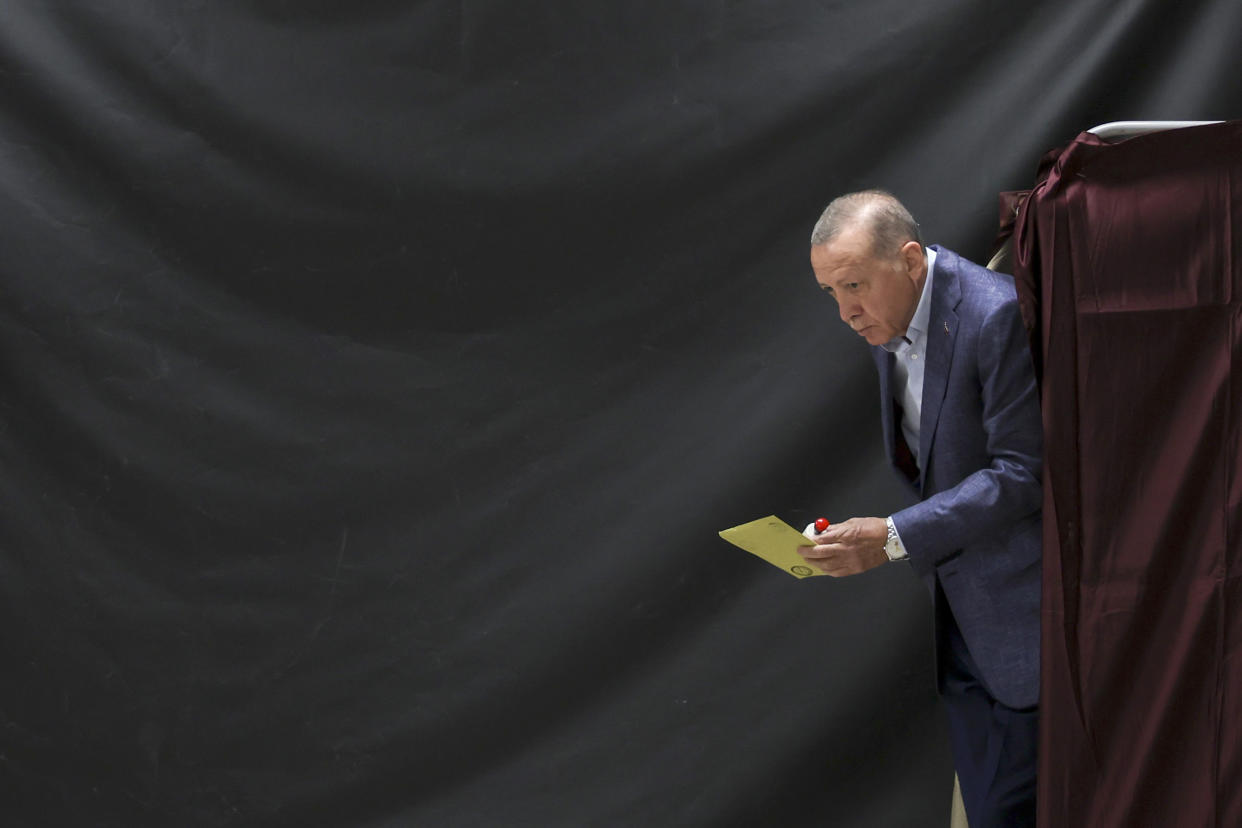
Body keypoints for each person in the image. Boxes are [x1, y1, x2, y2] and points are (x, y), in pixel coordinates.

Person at [799, 190, 1042, 827]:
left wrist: (895, 536)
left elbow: (1025, 474)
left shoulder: (996, 317)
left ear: (910, 261)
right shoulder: (891, 319)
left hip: (1026, 622)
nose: (847, 313)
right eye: (831, 293)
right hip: (962, 618)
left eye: (853, 285)